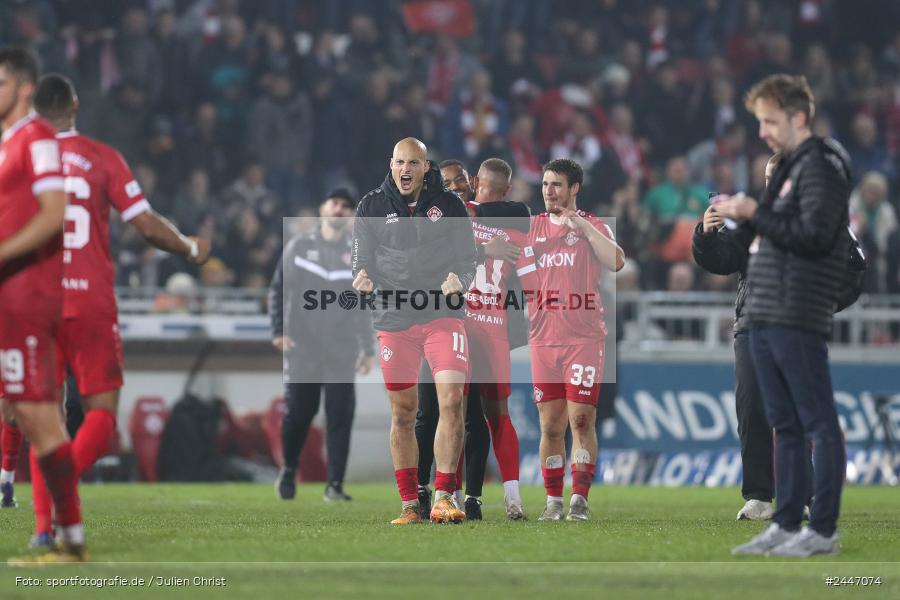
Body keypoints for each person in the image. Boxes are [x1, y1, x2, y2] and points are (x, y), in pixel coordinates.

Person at [24, 73, 210, 550]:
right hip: (89, 301)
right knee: (100, 418)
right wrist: (190, 248)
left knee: (45, 419)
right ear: (76, 105)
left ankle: (45, 529)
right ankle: (61, 498)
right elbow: (145, 226)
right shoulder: (101, 158)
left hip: (35, 303)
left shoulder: (16, 159)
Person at [717, 75, 850, 557]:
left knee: (817, 423)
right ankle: (788, 523)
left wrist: (756, 211)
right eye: (759, 122)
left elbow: (814, 236)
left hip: (798, 310)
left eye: (770, 121)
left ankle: (823, 531)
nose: (763, 133)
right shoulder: (793, 166)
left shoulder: (822, 165)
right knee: (786, 426)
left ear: (798, 118)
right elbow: (776, 235)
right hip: (767, 311)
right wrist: (748, 219)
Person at [352, 137, 476, 524]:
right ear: (391, 165)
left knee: (452, 401)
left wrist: (462, 278)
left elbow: (468, 260)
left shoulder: (450, 206)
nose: (405, 169)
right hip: (394, 319)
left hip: (442, 314)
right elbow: (360, 261)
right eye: (399, 162)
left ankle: (443, 496)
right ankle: (409, 504)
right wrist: (360, 278)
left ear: (425, 167)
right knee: (404, 412)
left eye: (413, 163)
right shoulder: (370, 206)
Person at [693, 154, 813, 521]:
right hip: (752, 326)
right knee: (752, 411)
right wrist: (707, 234)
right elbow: (724, 260)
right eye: (768, 175)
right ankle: (759, 497)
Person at [0, 47, 80, 564]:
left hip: (29, 296)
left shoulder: (38, 140)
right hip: (7, 296)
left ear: (24, 88)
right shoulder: (8, 143)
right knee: (16, 407)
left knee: (41, 416)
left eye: (0, 82)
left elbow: (55, 214)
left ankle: (65, 537)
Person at [519, 159, 625, 522]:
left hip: (584, 338)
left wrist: (580, 225)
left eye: (557, 184)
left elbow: (616, 262)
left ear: (574, 188)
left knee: (581, 420)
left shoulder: (592, 225)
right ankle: (553, 501)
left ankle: (579, 498)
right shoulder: (531, 228)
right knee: (550, 425)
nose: (549, 190)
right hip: (544, 340)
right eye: (545, 184)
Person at [270, 189, 373, 502]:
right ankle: (289, 468)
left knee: (341, 415)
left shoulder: (358, 254)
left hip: (341, 348)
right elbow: (279, 289)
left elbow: (363, 303)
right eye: (335, 203)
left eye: (346, 206)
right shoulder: (299, 246)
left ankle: (335, 485)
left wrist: (367, 347)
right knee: (299, 413)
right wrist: (278, 330)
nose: (339, 210)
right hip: (303, 346)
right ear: (323, 208)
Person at [414, 158, 490, 519]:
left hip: (483, 327)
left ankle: (469, 497)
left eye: (461, 179)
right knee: (428, 412)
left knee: (474, 414)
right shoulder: (430, 218)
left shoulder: (486, 217)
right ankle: (425, 490)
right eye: (448, 181)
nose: (456, 185)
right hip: (436, 323)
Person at [461, 158, 531, 520]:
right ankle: (512, 498)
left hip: (464, 323)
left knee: (458, 413)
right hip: (495, 327)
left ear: (474, 182)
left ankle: (450, 495)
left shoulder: (458, 216)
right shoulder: (515, 232)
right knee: (495, 417)